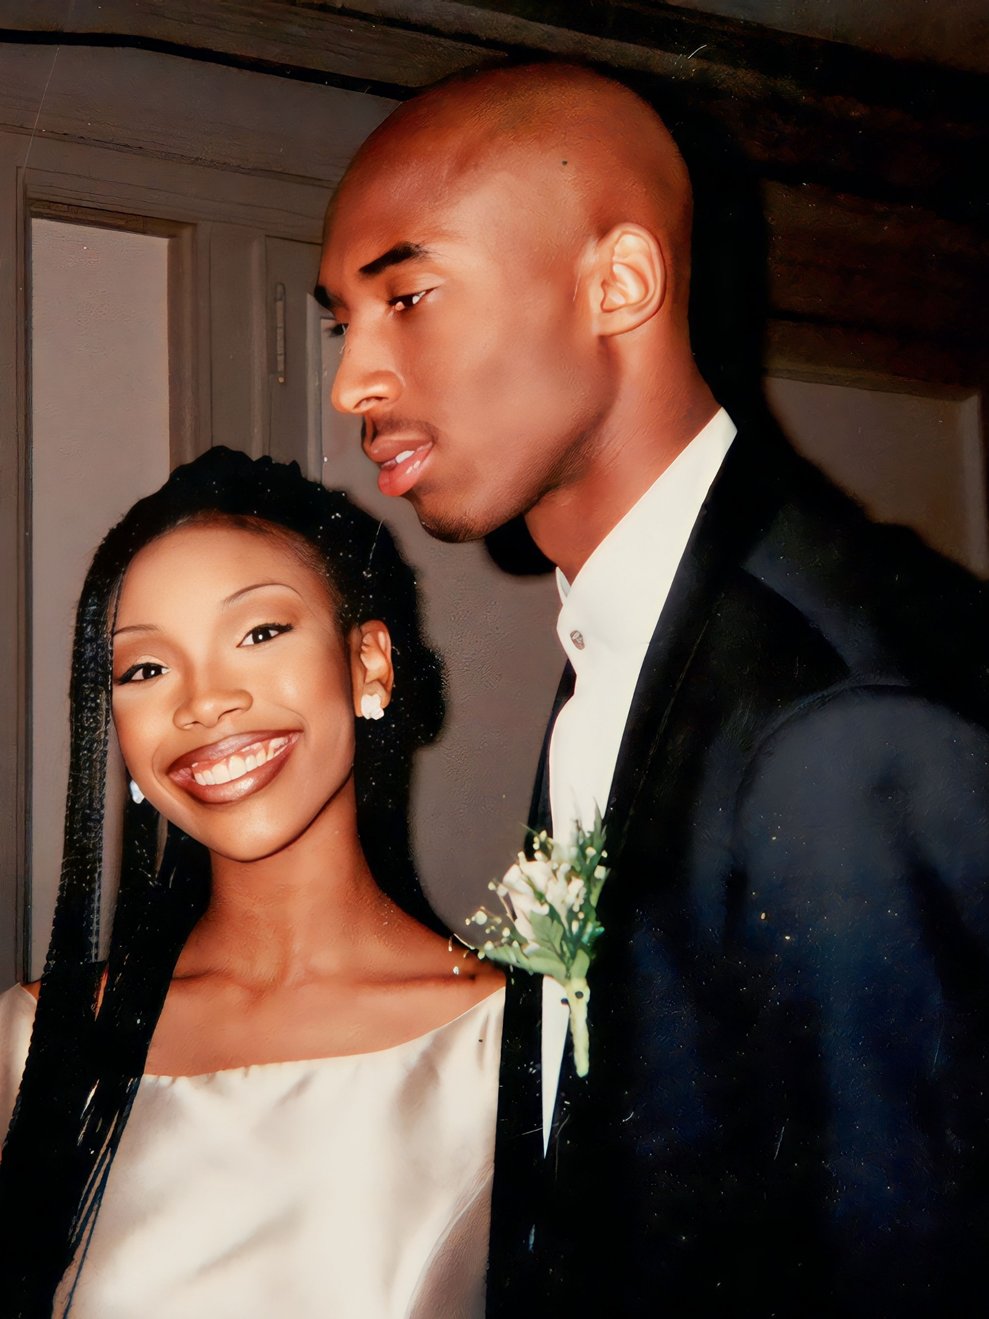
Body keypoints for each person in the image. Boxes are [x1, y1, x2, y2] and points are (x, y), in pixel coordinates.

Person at [317, 61, 989, 1316]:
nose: (353, 381)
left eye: (407, 295)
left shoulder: (840, 719)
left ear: (618, 283)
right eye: (339, 323)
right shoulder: (637, 634)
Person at [0, 447, 503, 1318]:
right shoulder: (32, 1044)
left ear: (369, 664)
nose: (204, 701)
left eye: (260, 633)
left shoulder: (511, 1045)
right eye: (144, 669)